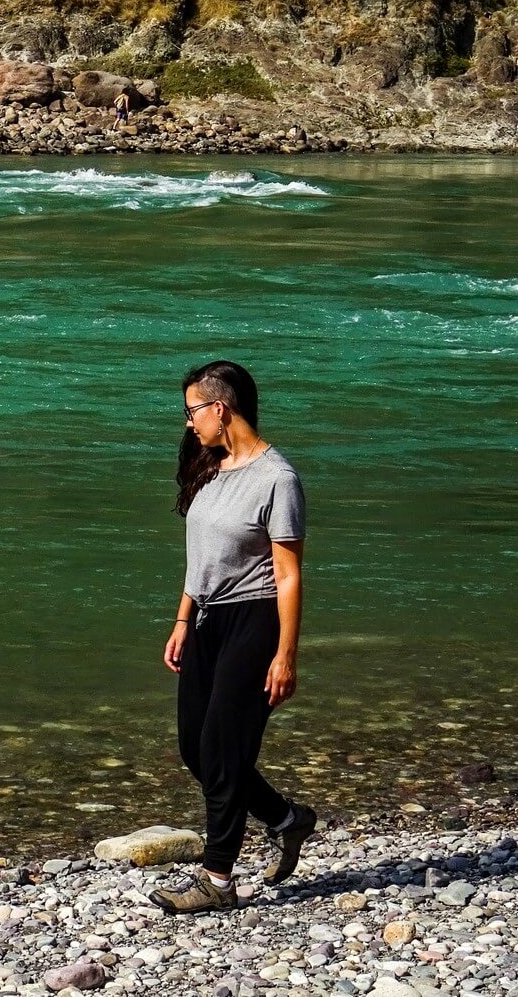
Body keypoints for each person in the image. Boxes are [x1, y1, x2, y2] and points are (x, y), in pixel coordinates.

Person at [148, 360, 317, 915]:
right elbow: (201, 559)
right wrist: (181, 619)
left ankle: (217, 879)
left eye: (192, 410)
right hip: (206, 621)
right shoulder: (213, 468)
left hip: (255, 621)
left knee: (225, 748)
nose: (188, 423)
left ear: (220, 409)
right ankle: (287, 820)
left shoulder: (278, 479)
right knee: (196, 749)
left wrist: (286, 655)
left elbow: (289, 573)